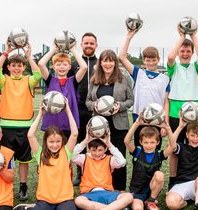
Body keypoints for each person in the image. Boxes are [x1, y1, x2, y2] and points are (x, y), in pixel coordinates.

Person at [0, 42, 42, 201]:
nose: (16, 68)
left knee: (23, 160)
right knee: (5, 159)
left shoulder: (28, 80)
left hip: (25, 128)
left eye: (19, 65)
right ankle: (5, 186)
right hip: (6, 127)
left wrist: (29, 57)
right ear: (9, 67)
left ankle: (23, 186)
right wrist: (6, 52)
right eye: (13, 65)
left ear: (23, 67)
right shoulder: (4, 80)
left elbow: (38, 75)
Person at [86, 49, 134, 191]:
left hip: (119, 125)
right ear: (100, 62)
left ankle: (119, 190)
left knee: (118, 157)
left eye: (110, 60)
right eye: (105, 60)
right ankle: (103, 188)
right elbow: (88, 101)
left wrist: (121, 106)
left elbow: (130, 100)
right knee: (101, 157)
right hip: (99, 126)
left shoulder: (123, 79)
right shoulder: (94, 80)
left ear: (115, 62)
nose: (108, 63)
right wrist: (94, 106)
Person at [166, 26, 198, 189]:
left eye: (188, 51)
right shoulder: (173, 67)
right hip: (176, 112)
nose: (184, 53)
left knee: (197, 146)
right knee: (175, 148)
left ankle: (197, 179)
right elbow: (170, 56)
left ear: (192, 52)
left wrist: (193, 36)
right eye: (182, 50)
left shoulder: (196, 67)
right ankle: (173, 179)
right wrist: (182, 37)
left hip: (195, 114)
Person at [119, 29, 170, 150]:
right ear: (144, 60)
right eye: (148, 60)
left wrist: (165, 124)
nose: (151, 63)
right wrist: (129, 37)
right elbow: (122, 57)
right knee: (139, 150)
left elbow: (166, 102)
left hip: (157, 119)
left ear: (158, 59)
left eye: (153, 60)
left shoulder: (165, 79)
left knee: (154, 151)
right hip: (140, 119)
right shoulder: (138, 73)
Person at [24, 100, 78, 210]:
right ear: (46, 142)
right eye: (51, 142)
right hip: (45, 200)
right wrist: (40, 114)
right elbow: (30, 135)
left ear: (62, 141)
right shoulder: (40, 154)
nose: (55, 145)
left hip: (65, 199)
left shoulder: (66, 152)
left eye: (58, 141)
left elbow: (74, 134)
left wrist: (67, 110)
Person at [165, 110, 198, 210]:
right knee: (171, 204)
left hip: (197, 184)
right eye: (192, 135)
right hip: (180, 184)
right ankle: (188, 201)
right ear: (187, 135)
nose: (195, 139)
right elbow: (171, 145)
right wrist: (180, 126)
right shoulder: (181, 147)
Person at [124, 116, 174, 210]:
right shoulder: (137, 152)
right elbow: (127, 141)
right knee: (138, 208)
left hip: (151, 191)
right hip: (137, 191)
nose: (149, 145)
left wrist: (167, 128)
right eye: (146, 142)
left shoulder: (159, 154)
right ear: (140, 142)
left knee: (159, 175)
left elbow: (172, 146)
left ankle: (151, 200)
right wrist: (136, 124)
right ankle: (139, 202)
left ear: (157, 142)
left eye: (152, 142)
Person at [73, 133, 133, 210]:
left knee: (128, 196)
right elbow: (71, 156)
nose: (97, 153)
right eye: (93, 150)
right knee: (79, 201)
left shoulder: (109, 159)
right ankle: (114, 208)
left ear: (106, 149)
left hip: (107, 192)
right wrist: (85, 141)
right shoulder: (84, 158)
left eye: (100, 150)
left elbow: (122, 162)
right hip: (89, 193)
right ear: (89, 149)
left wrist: (109, 144)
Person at [38, 43, 88, 136]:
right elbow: (41, 64)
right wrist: (54, 49)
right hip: (52, 124)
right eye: (58, 64)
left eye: (65, 64)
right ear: (53, 66)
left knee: (68, 150)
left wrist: (72, 49)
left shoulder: (73, 81)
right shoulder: (50, 80)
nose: (61, 67)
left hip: (68, 124)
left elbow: (84, 67)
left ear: (69, 67)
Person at [70, 32, 99, 186]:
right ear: (81, 45)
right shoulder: (75, 63)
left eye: (91, 43)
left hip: (96, 109)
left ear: (96, 45)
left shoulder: (101, 63)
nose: (88, 45)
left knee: (95, 140)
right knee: (80, 140)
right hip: (78, 108)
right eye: (86, 43)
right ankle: (80, 174)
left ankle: (94, 172)